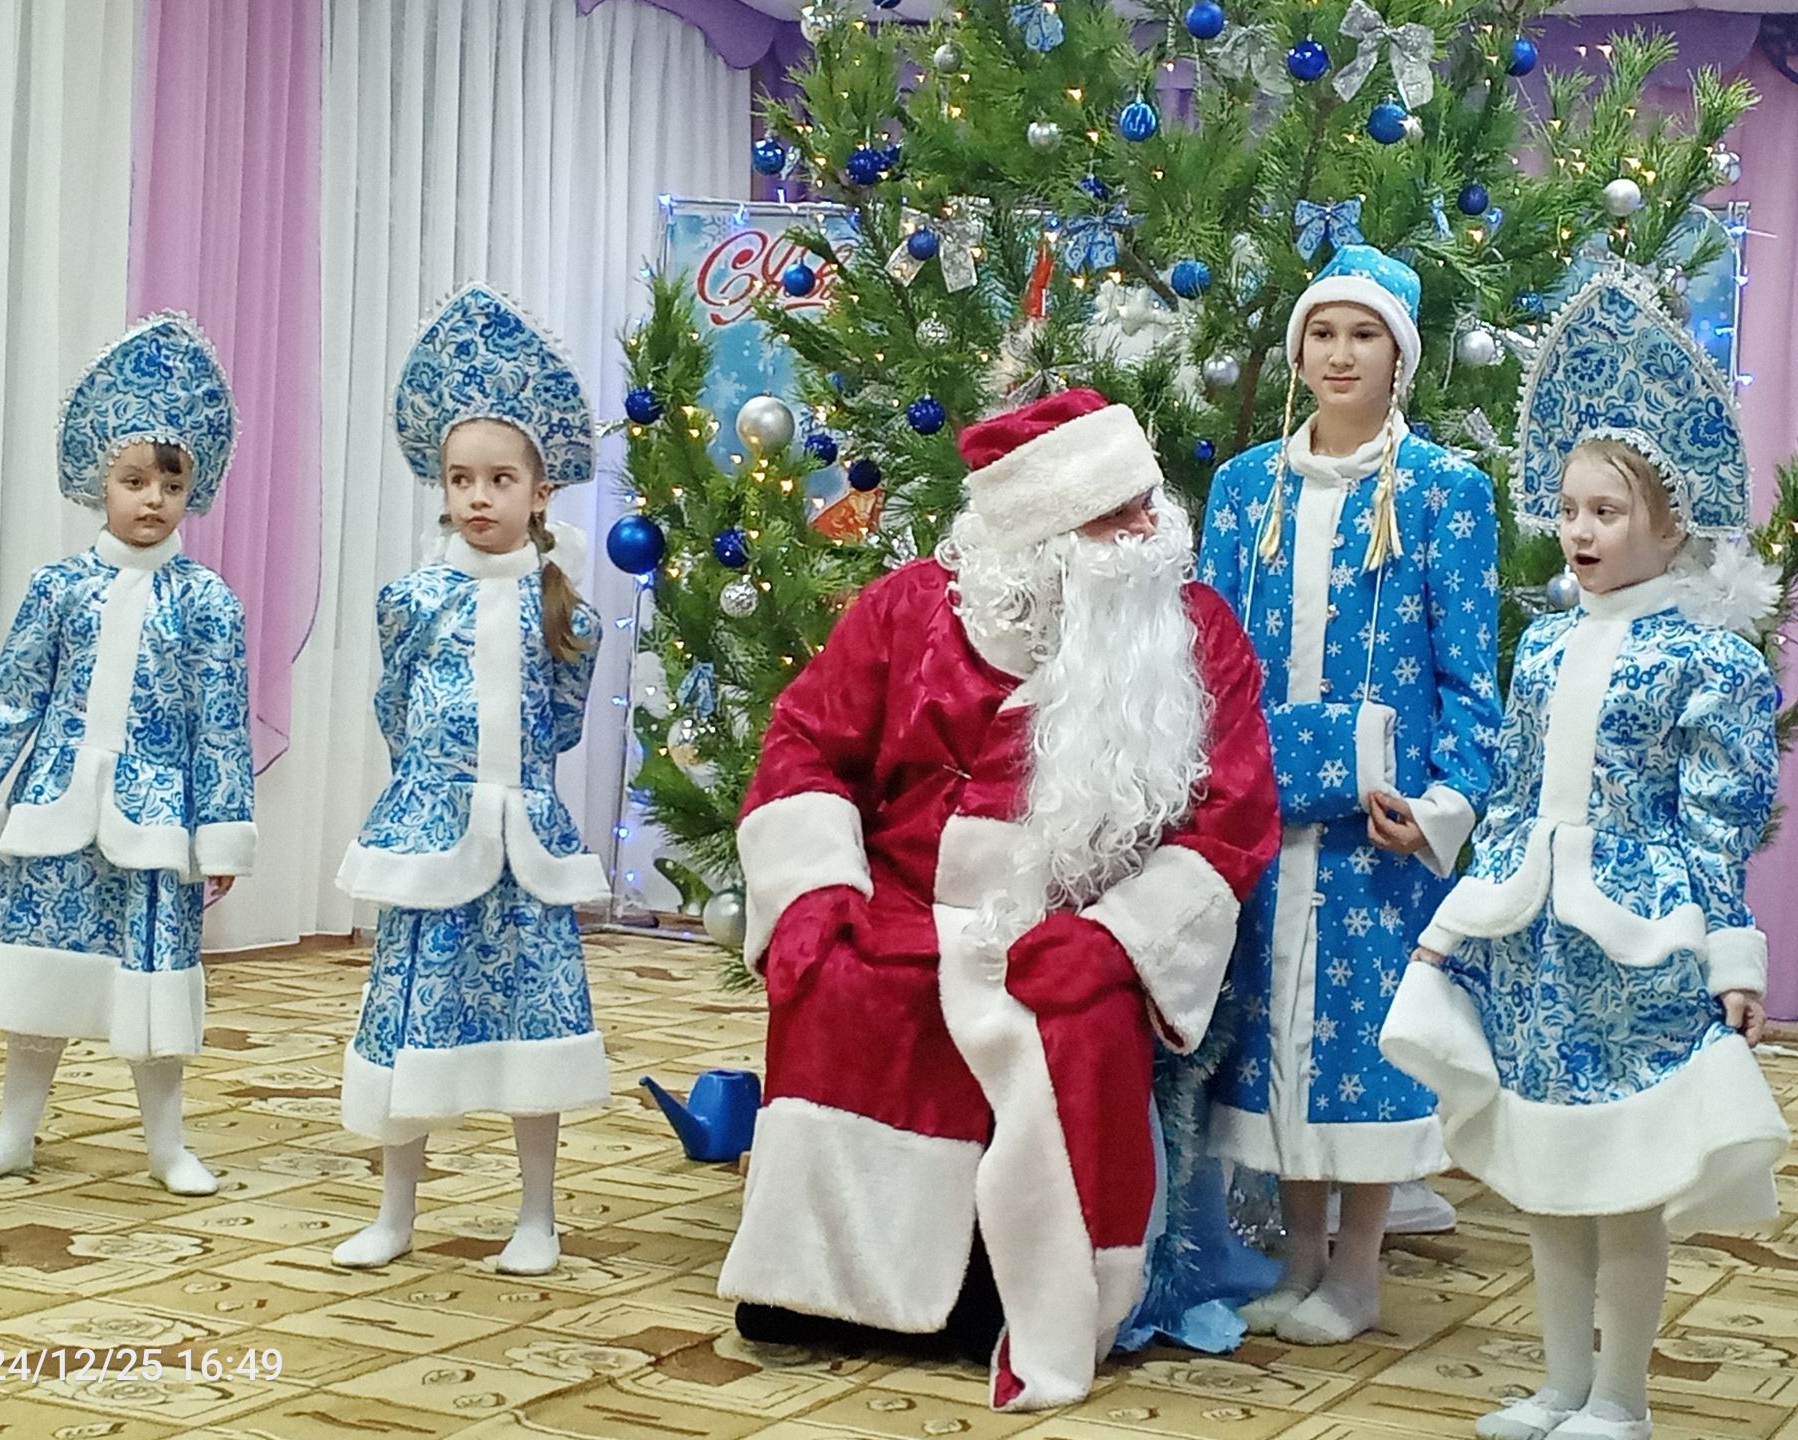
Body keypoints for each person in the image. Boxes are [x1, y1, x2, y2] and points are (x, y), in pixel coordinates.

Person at [719, 387, 1281, 1411]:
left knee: (1078, 1025)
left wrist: (1119, 941)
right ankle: (821, 1293)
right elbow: (806, 742)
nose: (1148, 530)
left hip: (1082, 918)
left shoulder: (1198, 635)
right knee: (844, 986)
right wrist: (813, 894)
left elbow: (1233, 818)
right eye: (1115, 513)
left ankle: (1019, 1304)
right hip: (902, 897)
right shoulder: (911, 610)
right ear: (1038, 533)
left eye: (1148, 500)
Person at [1381, 265, 1790, 1440]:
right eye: (1568, 509)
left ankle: (1623, 1395)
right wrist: (1456, 879)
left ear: (1667, 521)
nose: (1581, 531)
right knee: (1549, 1169)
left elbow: (1719, 826)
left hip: (1640, 940)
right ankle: (1560, 1381)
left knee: (1625, 1185)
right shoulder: (1546, 647)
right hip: (1534, 939)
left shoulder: (1709, 663)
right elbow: (1513, 789)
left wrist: (1731, 958)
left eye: (1606, 512)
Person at [1198, 245, 1503, 1344]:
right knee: (1271, 1032)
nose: (1340, 354)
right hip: (1271, 823)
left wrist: (1442, 805)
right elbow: (1214, 661)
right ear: (1298, 350)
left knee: (1364, 1041)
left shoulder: (1444, 495)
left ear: (1398, 356)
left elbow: (1473, 677)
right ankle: (1298, 1259)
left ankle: (1360, 1270)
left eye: (1362, 334)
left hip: (1383, 835)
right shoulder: (1245, 492)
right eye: (1322, 333)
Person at [0, 312, 254, 1195]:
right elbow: (10, 698)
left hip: (157, 827)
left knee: (151, 990)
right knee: (37, 980)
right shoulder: (59, 587)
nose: (151, 498)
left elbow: (222, 726)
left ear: (194, 490)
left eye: (170, 484)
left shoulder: (208, 603)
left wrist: (220, 838)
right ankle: (12, 1135)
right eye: (133, 479)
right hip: (52, 816)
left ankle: (166, 1147)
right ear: (99, 481)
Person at [330, 285, 610, 1274]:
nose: (477, 497)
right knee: (410, 1024)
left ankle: (536, 1216)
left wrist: (512, 790)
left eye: (499, 479)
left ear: (540, 493)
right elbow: (393, 710)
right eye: (461, 479)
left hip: (524, 846)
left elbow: (563, 724)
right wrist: (431, 794)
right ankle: (395, 1212)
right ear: (441, 488)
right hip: (430, 838)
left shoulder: (565, 611)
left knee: (533, 1028)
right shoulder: (410, 601)